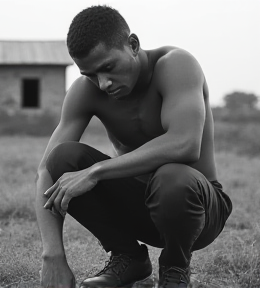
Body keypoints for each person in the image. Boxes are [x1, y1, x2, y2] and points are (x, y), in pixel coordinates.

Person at [35, 5, 232, 288]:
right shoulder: (86, 90)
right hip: (142, 208)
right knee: (62, 158)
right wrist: (52, 256)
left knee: (172, 176)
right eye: (90, 74)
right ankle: (129, 258)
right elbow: (45, 172)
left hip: (197, 210)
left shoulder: (176, 65)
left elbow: (185, 144)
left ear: (133, 45)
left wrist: (95, 172)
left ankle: (175, 267)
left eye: (108, 67)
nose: (102, 83)